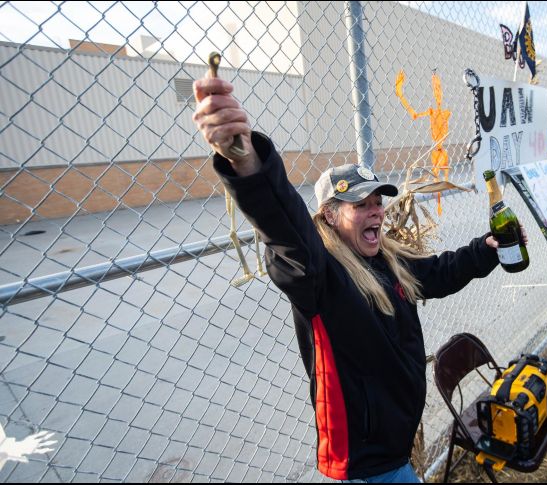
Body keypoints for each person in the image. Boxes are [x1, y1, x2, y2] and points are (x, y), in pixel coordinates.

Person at [192, 75, 527, 482]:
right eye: (360, 205)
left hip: (394, 452)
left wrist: (486, 249)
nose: (376, 212)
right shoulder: (316, 273)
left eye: (377, 202)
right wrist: (246, 162)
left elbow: (437, 274)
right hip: (364, 465)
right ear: (330, 215)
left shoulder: (384, 259)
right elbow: (285, 229)